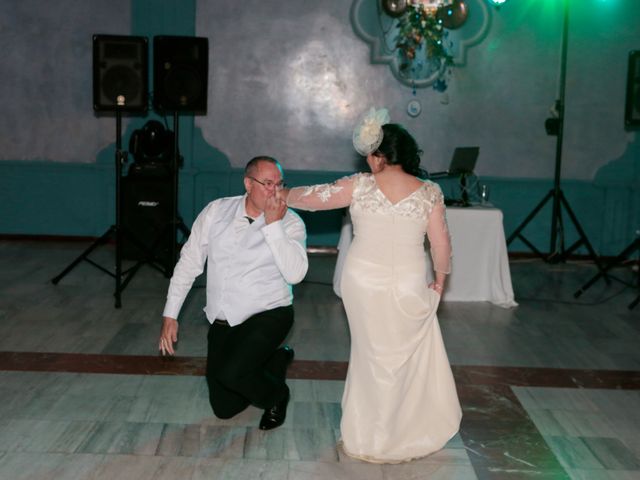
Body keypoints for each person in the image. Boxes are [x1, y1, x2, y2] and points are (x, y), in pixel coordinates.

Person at [281, 108, 462, 463]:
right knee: (402, 358)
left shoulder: (360, 185)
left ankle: (367, 435)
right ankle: (402, 431)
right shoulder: (429, 192)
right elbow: (441, 245)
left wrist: (281, 193)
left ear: (378, 155)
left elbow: (315, 198)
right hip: (409, 281)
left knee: (370, 356)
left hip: (362, 282)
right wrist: (439, 283)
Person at [158, 156, 308, 431]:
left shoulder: (291, 222)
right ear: (248, 184)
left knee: (233, 373)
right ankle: (275, 360)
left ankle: (277, 395)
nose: (275, 191)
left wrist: (274, 226)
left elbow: (296, 275)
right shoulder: (216, 211)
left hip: (270, 312)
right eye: (267, 183)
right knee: (224, 409)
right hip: (223, 317)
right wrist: (171, 314)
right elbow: (189, 262)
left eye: (279, 183)